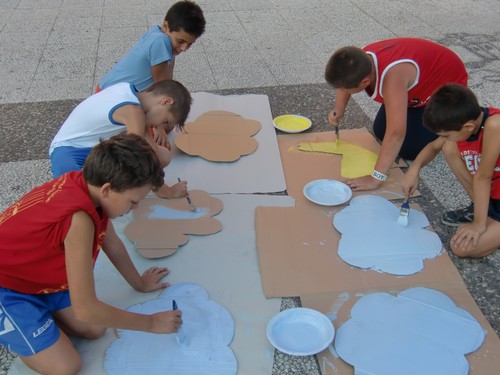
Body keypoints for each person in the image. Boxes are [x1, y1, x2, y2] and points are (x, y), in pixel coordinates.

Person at [0, 134, 183, 374]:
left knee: (96, 328)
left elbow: (113, 243)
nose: (135, 208)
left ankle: (40, 315)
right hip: (7, 288)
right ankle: (18, 323)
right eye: (133, 201)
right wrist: (152, 323)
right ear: (108, 189)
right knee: (66, 366)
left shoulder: (87, 186)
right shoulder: (78, 221)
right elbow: (86, 308)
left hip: (37, 279)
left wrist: (139, 283)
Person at [325, 37, 468, 192]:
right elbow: (343, 84)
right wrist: (339, 108)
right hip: (418, 85)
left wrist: (375, 178)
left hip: (447, 93)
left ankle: (453, 126)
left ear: (365, 82)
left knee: (409, 149)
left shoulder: (392, 79)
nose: (342, 92)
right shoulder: (358, 59)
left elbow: (396, 133)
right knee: (380, 130)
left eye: (346, 90)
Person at [401, 84, 500, 258]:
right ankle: (487, 216)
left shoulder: (494, 125)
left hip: (488, 187)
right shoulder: (465, 124)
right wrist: (413, 170)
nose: (443, 138)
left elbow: (483, 177)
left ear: (468, 127)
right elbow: (433, 147)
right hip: (493, 197)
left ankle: (488, 221)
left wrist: (478, 223)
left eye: (446, 134)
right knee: (449, 147)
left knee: (463, 249)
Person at [50, 79, 191, 199]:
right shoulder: (133, 111)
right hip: (67, 152)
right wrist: (169, 192)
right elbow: (139, 158)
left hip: (94, 148)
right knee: (79, 197)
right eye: (165, 121)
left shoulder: (131, 94)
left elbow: (153, 153)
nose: (160, 126)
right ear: (166, 101)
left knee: (163, 156)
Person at [97, 0, 205, 147]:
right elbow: (161, 85)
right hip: (110, 99)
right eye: (181, 41)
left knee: (169, 121)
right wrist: (158, 127)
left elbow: (167, 83)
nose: (184, 48)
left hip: (106, 91)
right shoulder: (161, 43)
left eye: (190, 44)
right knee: (167, 126)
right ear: (166, 26)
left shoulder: (159, 33)